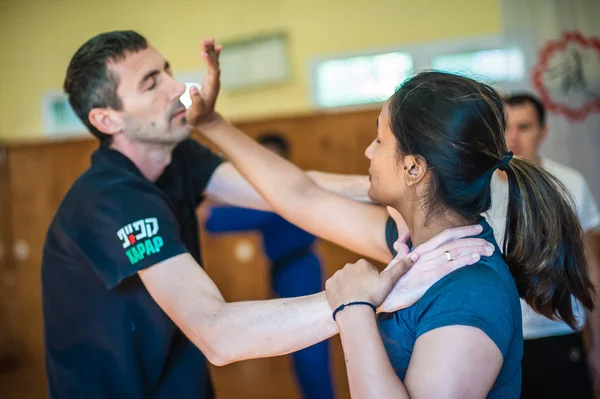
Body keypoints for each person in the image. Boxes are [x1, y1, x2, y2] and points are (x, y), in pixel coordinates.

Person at [41, 31, 492, 399]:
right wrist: (373, 293)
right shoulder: (111, 198)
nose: (178, 88)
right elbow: (219, 334)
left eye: (168, 72)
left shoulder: (180, 158)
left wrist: (424, 184)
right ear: (106, 120)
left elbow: (296, 190)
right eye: (150, 83)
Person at [192, 65, 596, 397]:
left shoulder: (470, 288)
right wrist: (211, 123)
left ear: (414, 168)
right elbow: (301, 196)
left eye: (380, 139)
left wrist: (353, 310)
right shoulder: (419, 247)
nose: (368, 151)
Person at [484, 92, 600, 399]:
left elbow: (590, 270)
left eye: (524, 127)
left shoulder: (569, 183)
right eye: (506, 128)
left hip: (560, 333)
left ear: (543, 131)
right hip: (502, 341)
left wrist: (598, 346)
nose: (513, 137)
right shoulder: (479, 190)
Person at [204, 133, 335, 399]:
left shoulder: (282, 193)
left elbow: (216, 220)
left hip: (300, 270)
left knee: (310, 351)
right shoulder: (269, 193)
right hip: (288, 270)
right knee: (301, 351)